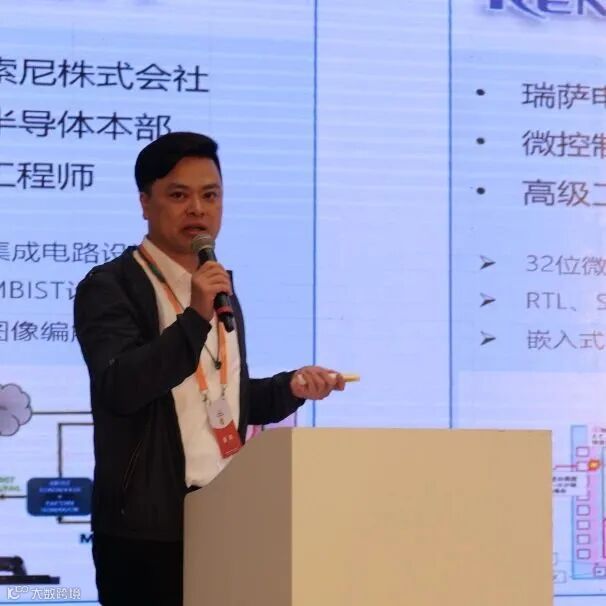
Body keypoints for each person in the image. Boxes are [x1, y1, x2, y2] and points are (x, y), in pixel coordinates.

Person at [73, 131, 345, 606]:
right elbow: (121, 387)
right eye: (179, 195)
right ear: (145, 203)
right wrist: (196, 316)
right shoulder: (110, 286)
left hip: (225, 515)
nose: (197, 209)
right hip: (145, 533)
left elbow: (224, 398)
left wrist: (292, 387)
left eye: (210, 195)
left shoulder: (218, 289)